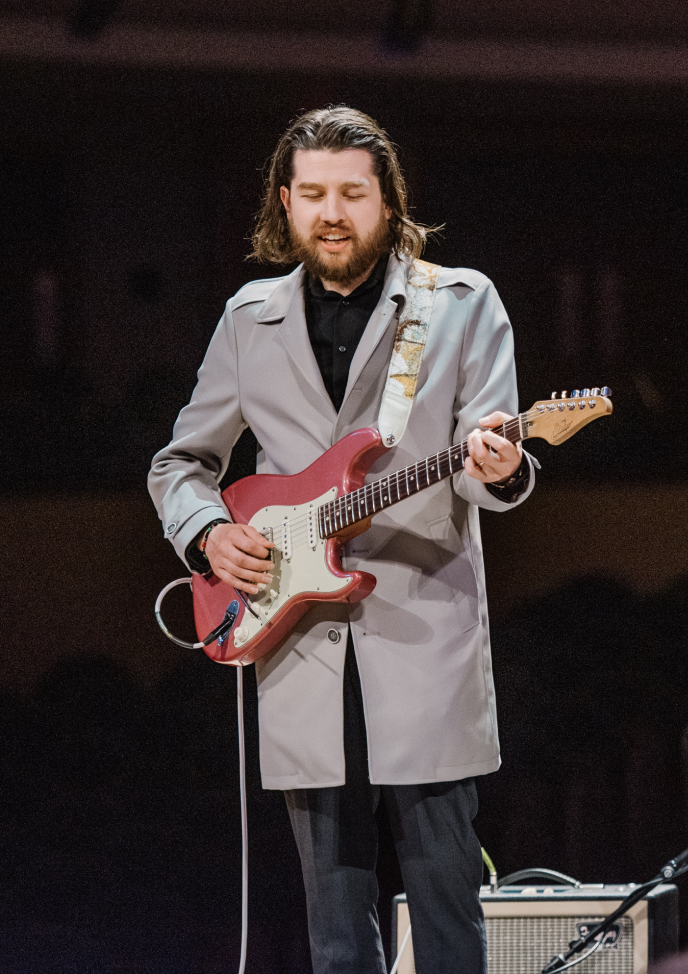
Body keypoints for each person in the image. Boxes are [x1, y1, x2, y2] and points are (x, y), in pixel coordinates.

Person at [149, 106, 534, 974]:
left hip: (421, 634)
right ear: (285, 204)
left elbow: (482, 467)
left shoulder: (460, 303)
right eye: (313, 194)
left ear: (388, 202)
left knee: (446, 914)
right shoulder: (250, 318)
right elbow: (180, 463)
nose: (332, 213)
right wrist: (209, 534)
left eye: (352, 194)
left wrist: (501, 464)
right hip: (296, 641)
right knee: (334, 930)